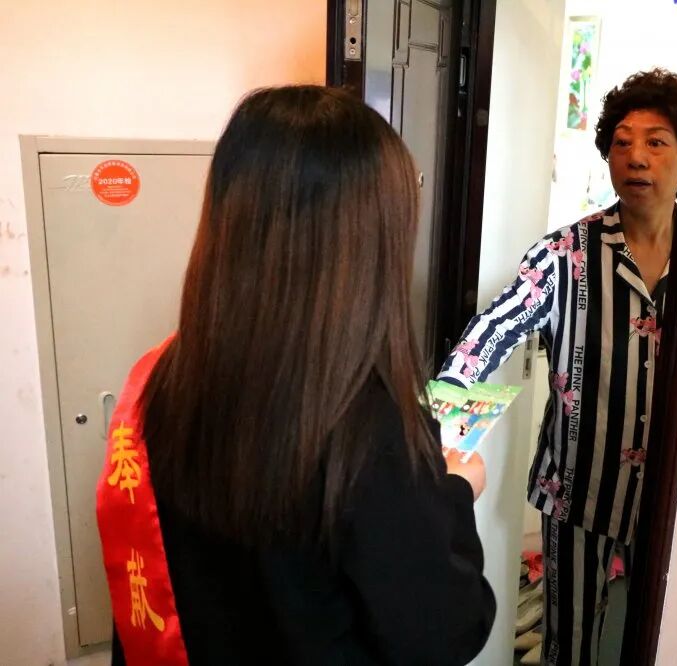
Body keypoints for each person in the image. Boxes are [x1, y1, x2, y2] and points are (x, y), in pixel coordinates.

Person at [96, 85, 495, 665]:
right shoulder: (367, 425)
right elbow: (444, 633)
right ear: (372, 239)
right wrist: (456, 493)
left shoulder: (162, 378)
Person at [439, 68, 677, 665]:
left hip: (674, 497)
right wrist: (439, 437)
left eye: (656, 142)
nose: (636, 157)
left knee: (664, 637)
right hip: (577, 494)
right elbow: (488, 337)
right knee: (569, 647)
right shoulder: (566, 255)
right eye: (622, 142)